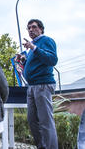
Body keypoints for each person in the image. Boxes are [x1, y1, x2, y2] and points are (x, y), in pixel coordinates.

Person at [22, 19, 58, 149]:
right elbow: (35, 64)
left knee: (45, 122)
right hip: (31, 87)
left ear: (41, 29)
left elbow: (52, 60)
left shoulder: (46, 41)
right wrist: (24, 61)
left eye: (33, 27)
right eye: (28, 28)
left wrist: (34, 48)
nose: (30, 30)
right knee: (32, 121)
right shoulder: (33, 46)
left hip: (43, 85)